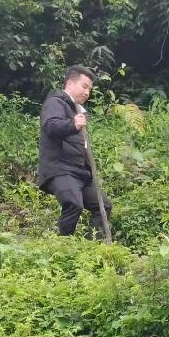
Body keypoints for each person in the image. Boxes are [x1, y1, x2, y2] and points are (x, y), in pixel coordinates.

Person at [37, 65, 112, 238]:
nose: (87, 92)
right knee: (73, 204)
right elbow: (50, 126)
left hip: (81, 173)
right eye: (84, 86)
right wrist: (73, 124)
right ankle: (63, 246)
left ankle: (93, 247)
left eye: (90, 89)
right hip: (61, 169)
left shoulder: (77, 110)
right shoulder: (55, 103)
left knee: (103, 206)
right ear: (70, 83)